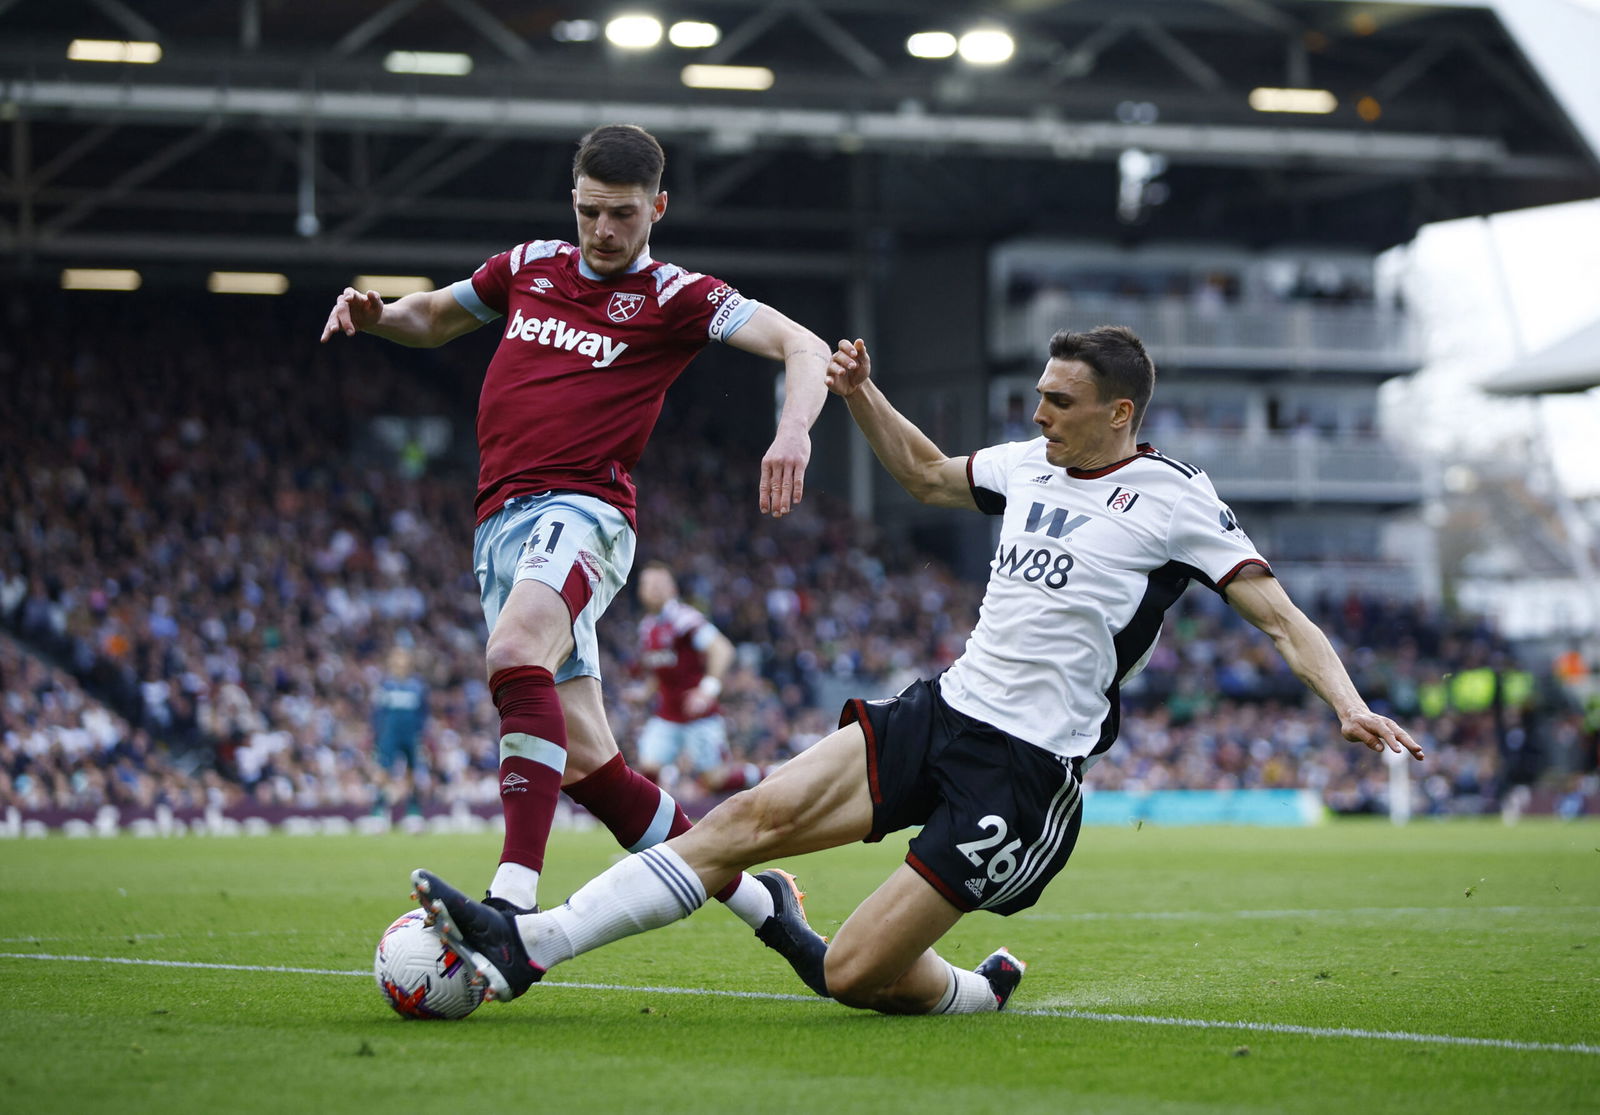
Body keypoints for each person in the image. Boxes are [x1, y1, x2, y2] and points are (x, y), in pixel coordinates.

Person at [411, 325, 1423, 1013]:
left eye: (1061, 403)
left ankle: (976, 991)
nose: (1039, 416)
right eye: (1036, 397)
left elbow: (1279, 615)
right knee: (738, 823)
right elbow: (926, 472)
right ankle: (526, 945)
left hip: (1023, 773)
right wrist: (859, 393)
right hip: (942, 709)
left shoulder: (1173, 499)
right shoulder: (1030, 465)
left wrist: (1348, 703)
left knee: (851, 974)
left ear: (1119, 413)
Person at [322, 124, 831, 946]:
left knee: (513, 649)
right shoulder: (530, 265)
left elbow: (800, 344)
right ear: (573, 199)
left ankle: (512, 901)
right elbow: (432, 317)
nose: (603, 230)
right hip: (499, 523)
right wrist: (378, 314)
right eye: (591, 211)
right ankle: (772, 913)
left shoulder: (675, 295)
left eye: (623, 215)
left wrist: (793, 428)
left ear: (657, 207)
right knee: (596, 769)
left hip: (582, 511)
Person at [627, 562, 738, 793]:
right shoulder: (647, 627)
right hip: (667, 715)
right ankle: (655, 824)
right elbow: (662, 669)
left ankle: (767, 774)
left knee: (715, 780)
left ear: (673, 589)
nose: (654, 589)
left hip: (698, 714)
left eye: (660, 584)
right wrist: (644, 693)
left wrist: (707, 691)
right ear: (640, 591)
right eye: (648, 584)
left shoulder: (684, 619)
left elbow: (722, 649)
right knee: (648, 769)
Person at [371, 645, 428, 823]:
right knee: (382, 771)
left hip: (410, 735)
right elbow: (377, 712)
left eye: (403, 658)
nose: (400, 662)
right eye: (397, 658)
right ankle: (379, 809)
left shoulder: (417, 686)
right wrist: (378, 735)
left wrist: (421, 734)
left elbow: (423, 713)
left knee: (411, 770)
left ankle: (412, 810)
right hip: (389, 734)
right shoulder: (385, 686)